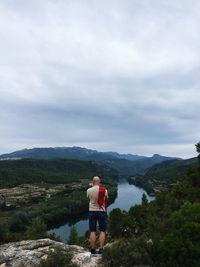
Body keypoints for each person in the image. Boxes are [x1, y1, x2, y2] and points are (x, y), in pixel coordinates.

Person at [87, 176, 108, 255]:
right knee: (102, 230)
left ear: (93, 182)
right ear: (99, 182)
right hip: (101, 211)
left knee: (92, 231)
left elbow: (89, 198)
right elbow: (105, 200)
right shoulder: (104, 190)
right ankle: (101, 249)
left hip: (92, 211)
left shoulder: (89, 190)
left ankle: (92, 249)